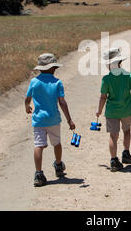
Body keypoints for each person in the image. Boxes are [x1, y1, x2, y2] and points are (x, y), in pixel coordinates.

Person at [25, 53, 76, 186]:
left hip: (39, 120)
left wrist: (27, 106)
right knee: (56, 143)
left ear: (40, 68)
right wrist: (69, 120)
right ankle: (58, 165)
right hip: (53, 119)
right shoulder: (57, 82)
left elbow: (27, 98)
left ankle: (38, 173)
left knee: (38, 146)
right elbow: (62, 102)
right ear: (53, 68)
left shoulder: (34, 82)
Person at [96, 48, 131, 172]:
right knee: (126, 131)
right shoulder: (129, 76)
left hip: (112, 112)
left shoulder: (106, 79)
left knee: (113, 136)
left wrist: (99, 110)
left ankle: (113, 160)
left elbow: (103, 97)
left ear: (108, 65)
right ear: (120, 61)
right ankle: (126, 153)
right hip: (126, 110)